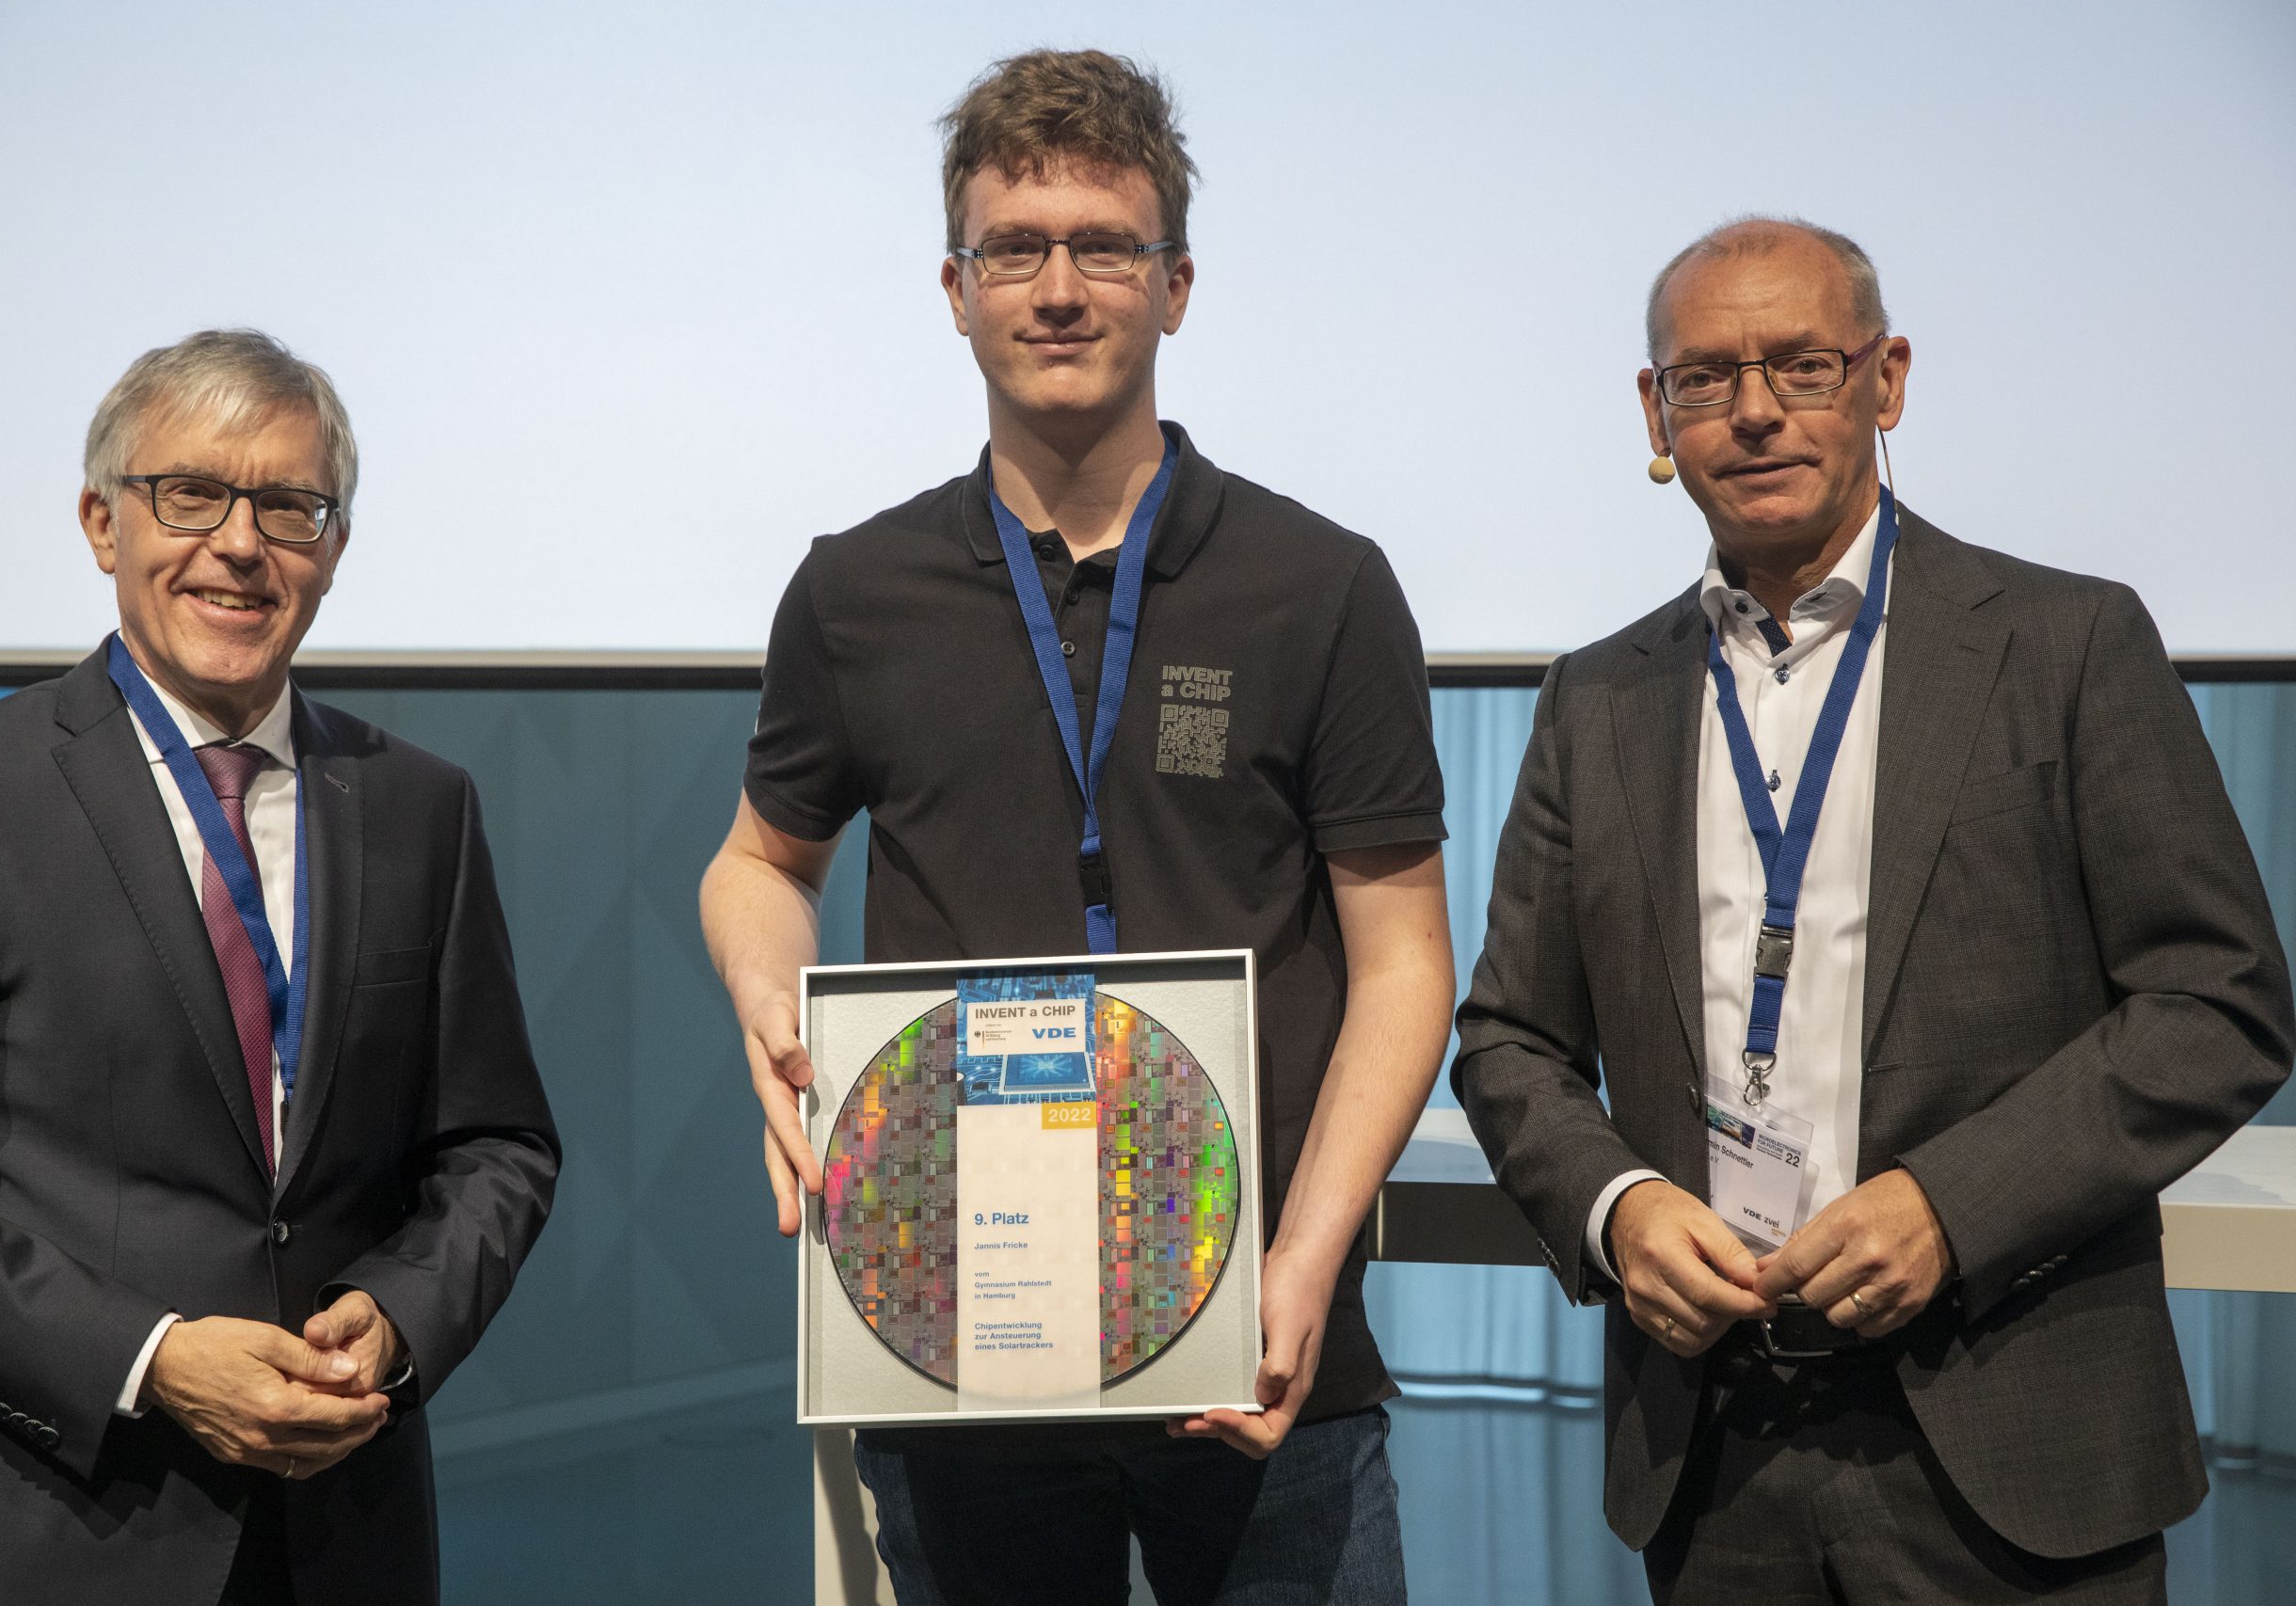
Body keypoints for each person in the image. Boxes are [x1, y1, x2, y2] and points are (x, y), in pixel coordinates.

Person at [1452, 217, 2294, 1603]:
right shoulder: (1595, 699)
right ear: (1656, 413)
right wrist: (1616, 1208)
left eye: (1803, 365)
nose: (1756, 411)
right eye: (1707, 378)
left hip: (2014, 1432)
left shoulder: (2066, 645)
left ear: (1886, 380)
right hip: (1716, 1447)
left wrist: (1954, 1207)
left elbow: (2218, 1003)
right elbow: (1510, 1039)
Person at [701, 49, 1451, 1605]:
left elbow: (1403, 964)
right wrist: (773, 1009)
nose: (1058, 290)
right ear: (956, 290)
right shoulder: (855, 591)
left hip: (1262, 1339)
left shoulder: (1321, 586)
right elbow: (760, 863)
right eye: (1015, 250)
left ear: (1175, 285)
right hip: (959, 1338)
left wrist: (1304, 1264)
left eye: (1105, 247)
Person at [0, 329, 562, 1605]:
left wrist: (398, 1318)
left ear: (334, 548)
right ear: (103, 523)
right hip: (50, 1532)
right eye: (191, 494)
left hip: (343, 1538)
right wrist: (149, 1356)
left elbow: (498, 1145)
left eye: (290, 506)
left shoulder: (421, 806)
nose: (242, 544)